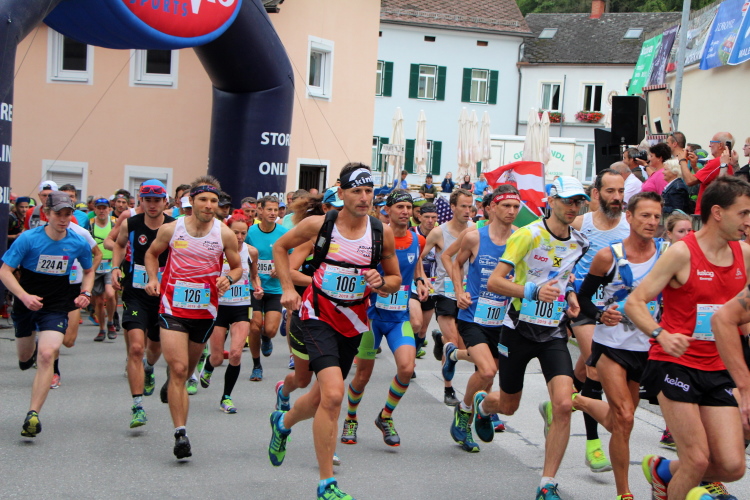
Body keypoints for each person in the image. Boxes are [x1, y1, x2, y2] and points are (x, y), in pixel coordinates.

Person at [269, 163, 400, 500]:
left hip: (352, 322)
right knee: (333, 394)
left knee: (319, 398)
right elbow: (279, 248)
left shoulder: (380, 232)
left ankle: (282, 423)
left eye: (369, 191)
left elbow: (395, 279)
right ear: (341, 192)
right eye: (357, 191)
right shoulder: (320, 224)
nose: (364, 197)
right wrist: (288, 288)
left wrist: (381, 282)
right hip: (316, 316)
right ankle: (326, 484)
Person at [625, 176, 750, 500]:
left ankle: (664, 472)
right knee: (696, 460)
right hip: (675, 363)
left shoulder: (745, 254)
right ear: (718, 212)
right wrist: (660, 334)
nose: (748, 221)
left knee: (733, 466)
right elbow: (635, 302)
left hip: (718, 367)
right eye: (743, 213)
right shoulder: (682, 253)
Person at [477, 176, 590, 500]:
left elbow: (564, 276)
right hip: (517, 330)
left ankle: (547, 484)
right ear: (551, 201)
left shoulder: (579, 242)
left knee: (564, 405)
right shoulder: (528, 235)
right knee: (508, 405)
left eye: (578, 202)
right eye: (567, 201)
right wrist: (533, 291)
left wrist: (570, 295)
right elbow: (495, 282)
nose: (573, 207)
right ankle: (484, 405)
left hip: (553, 332)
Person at [572, 191, 667, 500]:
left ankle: (578, 400)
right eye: (645, 215)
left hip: (645, 348)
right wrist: (601, 314)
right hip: (610, 345)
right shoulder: (608, 256)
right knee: (625, 417)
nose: (651, 222)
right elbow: (583, 299)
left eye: (656, 216)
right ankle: (624, 493)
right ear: (629, 217)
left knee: (620, 423)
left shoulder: (666, 254)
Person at [145, 176, 241, 459]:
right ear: (191, 202)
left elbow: (237, 268)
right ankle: (181, 434)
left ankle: (173, 384)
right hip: (172, 308)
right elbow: (151, 254)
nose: (209, 205)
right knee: (178, 368)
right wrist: (153, 278)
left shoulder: (224, 234)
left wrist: (228, 278)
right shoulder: (171, 229)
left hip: (204, 311)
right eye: (203, 200)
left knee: (186, 371)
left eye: (214, 201)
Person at [0, 191, 94, 437]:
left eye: (67, 214)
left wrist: (86, 292)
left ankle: (33, 414)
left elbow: (89, 270)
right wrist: (23, 297)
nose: (63, 219)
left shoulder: (77, 242)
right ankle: (28, 353)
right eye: (58, 214)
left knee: (47, 354)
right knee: (25, 358)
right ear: (46, 214)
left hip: (56, 305)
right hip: (27, 303)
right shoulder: (28, 239)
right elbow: (5, 271)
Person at [342, 190, 428, 447]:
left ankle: (385, 416)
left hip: (398, 315)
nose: (405, 211)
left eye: (408, 207)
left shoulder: (418, 239)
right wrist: (373, 284)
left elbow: (415, 262)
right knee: (362, 376)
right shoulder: (374, 238)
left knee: (407, 368)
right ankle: (351, 418)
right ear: (387, 210)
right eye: (399, 206)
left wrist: (420, 279)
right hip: (370, 317)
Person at [448, 185, 519, 453]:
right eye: (506, 206)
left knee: (488, 377)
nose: (511, 211)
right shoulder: (474, 237)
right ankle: (464, 411)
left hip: (503, 320)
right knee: (487, 370)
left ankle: (472, 417)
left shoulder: (521, 238)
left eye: (516, 206)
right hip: (472, 316)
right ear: (492, 208)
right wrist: (459, 291)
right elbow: (456, 263)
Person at [570, 168, 628, 473]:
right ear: (596, 193)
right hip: (583, 306)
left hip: (615, 311)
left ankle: (559, 401)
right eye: (610, 191)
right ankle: (593, 445)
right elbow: (559, 253)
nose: (617, 197)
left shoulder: (630, 226)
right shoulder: (581, 224)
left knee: (583, 370)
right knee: (595, 368)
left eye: (621, 191)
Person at [111, 180, 175, 427]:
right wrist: (115, 267)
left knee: (155, 348)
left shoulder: (174, 226)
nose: (152, 205)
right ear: (141, 201)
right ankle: (137, 406)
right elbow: (119, 244)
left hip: (164, 294)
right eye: (147, 200)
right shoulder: (131, 223)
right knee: (136, 347)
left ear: (165, 202)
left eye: (157, 200)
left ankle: (149, 368)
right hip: (135, 292)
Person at [199, 213, 262, 413]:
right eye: (236, 233)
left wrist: (258, 288)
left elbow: (254, 276)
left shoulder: (251, 252)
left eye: (243, 233)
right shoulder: (217, 250)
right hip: (219, 308)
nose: (240, 237)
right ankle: (209, 367)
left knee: (235, 354)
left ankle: (226, 397)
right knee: (217, 358)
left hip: (241, 306)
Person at [421, 188, 475, 406]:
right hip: (444, 292)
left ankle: (439, 340)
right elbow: (419, 257)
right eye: (463, 206)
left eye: (470, 206)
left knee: (462, 347)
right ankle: (448, 389)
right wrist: (422, 278)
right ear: (453, 207)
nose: (467, 211)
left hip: (467, 293)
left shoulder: (476, 230)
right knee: (453, 341)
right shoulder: (438, 232)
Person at [245, 195, 288, 381]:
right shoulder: (250, 232)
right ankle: (256, 365)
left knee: (269, 330)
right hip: (253, 287)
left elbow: (291, 256)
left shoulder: (284, 232)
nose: (273, 213)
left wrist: (281, 267)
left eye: (275, 210)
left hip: (275, 288)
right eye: (269, 209)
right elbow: (242, 255)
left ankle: (267, 338)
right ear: (260, 210)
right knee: (255, 326)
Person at [680, 132, 739, 216]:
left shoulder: (717, 162)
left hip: (706, 214)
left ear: (720, 145)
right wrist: (694, 166)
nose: (709, 146)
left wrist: (682, 160)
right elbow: (705, 180)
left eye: (712, 143)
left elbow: (689, 181)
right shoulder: (726, 163)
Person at [409, 202, 439, 359]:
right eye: (427, 217)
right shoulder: (411, 233)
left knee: (423, 329)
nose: (430, 221)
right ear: (419, 217)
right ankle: (408, 356)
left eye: (433, 217)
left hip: (432, 285)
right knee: (416, 323)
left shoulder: (439, 235)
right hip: (413, 283)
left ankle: (414, 352)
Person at [90, 198, 117, 341]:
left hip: (110, 264)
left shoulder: (114, 224)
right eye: (99, 208)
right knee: (99, 301)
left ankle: (111, 321)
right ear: (95, 209)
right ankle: (102, 329)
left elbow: (121, 243)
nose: (102, 211)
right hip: (95, 264)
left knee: (110, 294)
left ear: (109, 209)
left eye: (104, 208)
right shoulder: (90, 224)